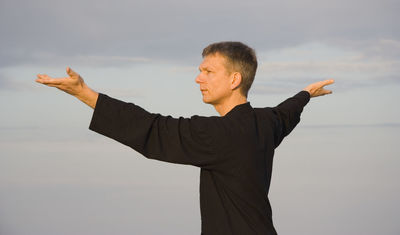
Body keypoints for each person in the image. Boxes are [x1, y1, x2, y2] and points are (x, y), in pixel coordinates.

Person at [36, 41, 334, 234]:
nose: (198, 78)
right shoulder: (265, 123)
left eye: (208, 71)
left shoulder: (219, 135)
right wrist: (306, 94)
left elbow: (152, 129)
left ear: (234, 80)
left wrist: (84, 94)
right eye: (199, 70)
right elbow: (287, 113)